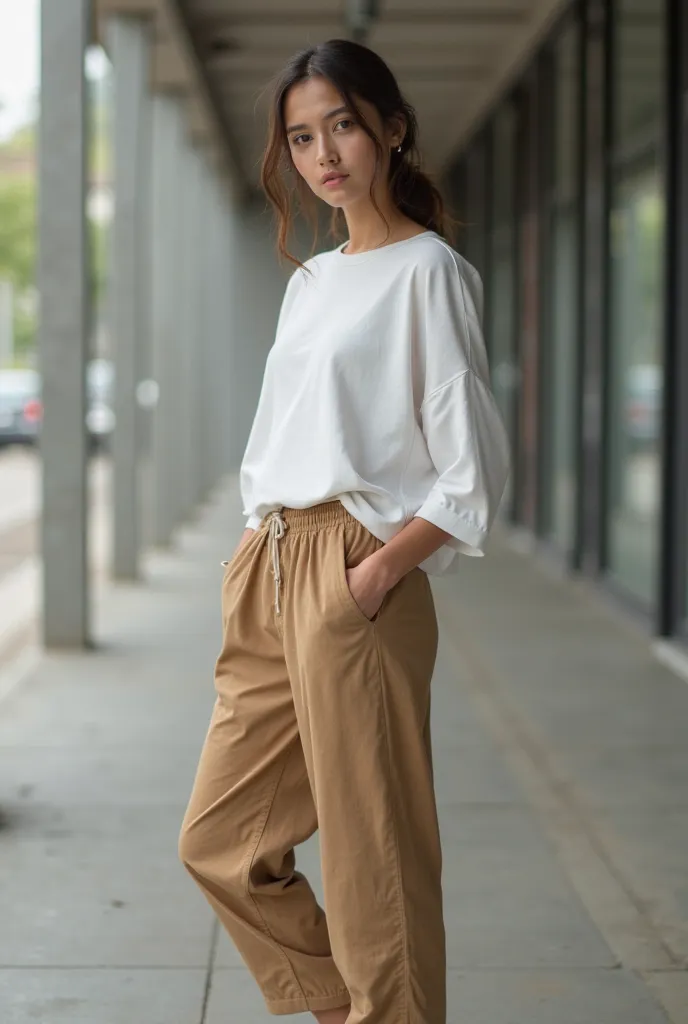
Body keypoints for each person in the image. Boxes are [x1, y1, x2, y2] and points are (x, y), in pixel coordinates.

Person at [179, 37, 510, 1024]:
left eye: (342, 127)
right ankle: (349, 1009)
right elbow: (283, 427)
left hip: (358, 567)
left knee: (375, 856)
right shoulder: (312, 281)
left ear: (388, 131)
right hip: (273, 562)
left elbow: (471, 470)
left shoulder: (428, 273)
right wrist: (252, 545)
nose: (324, 153)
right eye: (301, 136)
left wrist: (374, 576)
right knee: (221, 841)